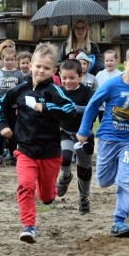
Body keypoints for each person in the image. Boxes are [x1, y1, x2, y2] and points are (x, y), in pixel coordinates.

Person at [77, 45, 129, 238]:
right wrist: (84, 130)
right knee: (104, 181)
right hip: (108, 139)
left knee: (126, 180)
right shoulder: (112, 85)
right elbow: (92, 106)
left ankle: (119, 221)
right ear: (125, 64)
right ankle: (120, 168)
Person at [0, 44, 77, 243]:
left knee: (47, 197)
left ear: (54, 71)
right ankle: (29, 227)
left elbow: (70, 108)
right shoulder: (20, 89)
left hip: (49, 152)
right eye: (38, 66)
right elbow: (2, 105)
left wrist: (47, 107)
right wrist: (4, 125)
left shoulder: (54, 91)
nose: (41, 71)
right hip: (25, 150)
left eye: (47, 68)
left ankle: (58, 185)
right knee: (25, 185)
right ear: (30, 65)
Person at [55, 58, 95, 215]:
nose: (68, 81)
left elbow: (93, 108)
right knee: (64, 158)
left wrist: (75, 108)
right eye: (64, 78)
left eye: (72, 78)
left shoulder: (88, 92)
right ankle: (65, 177)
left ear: (81, 76)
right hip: (65, 131)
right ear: (59, 76)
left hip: (84, 135)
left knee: (84, 169)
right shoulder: (58, 91)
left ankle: (84, 198)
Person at [0, 46, 26, 165]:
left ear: (15, 60)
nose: (9, 62)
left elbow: (22, 89)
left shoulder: (18, 74)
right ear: (2, 60)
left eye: (11, 60)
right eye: (6, 59)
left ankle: (14, 155)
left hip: (14, 107)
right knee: (1, 132)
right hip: (1, 107)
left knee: (14, 131)